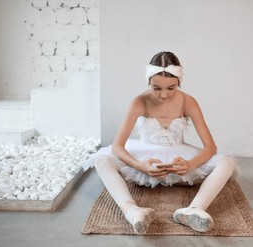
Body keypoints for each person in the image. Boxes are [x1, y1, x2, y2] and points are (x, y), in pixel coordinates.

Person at [83, 51, 236, 234]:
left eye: (171, 88)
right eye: (157, 88)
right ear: (148, 81)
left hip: (178, 161)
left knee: (227, 162)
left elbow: (211, 147)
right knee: (102, 161)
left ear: (179, 82)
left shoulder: (188, 101)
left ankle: (195, 209)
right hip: (145, 161)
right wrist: (140, 166)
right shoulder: (139, 101)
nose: (164, 95)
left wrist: (189, 165)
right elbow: (117, 146)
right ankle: (131, 210)